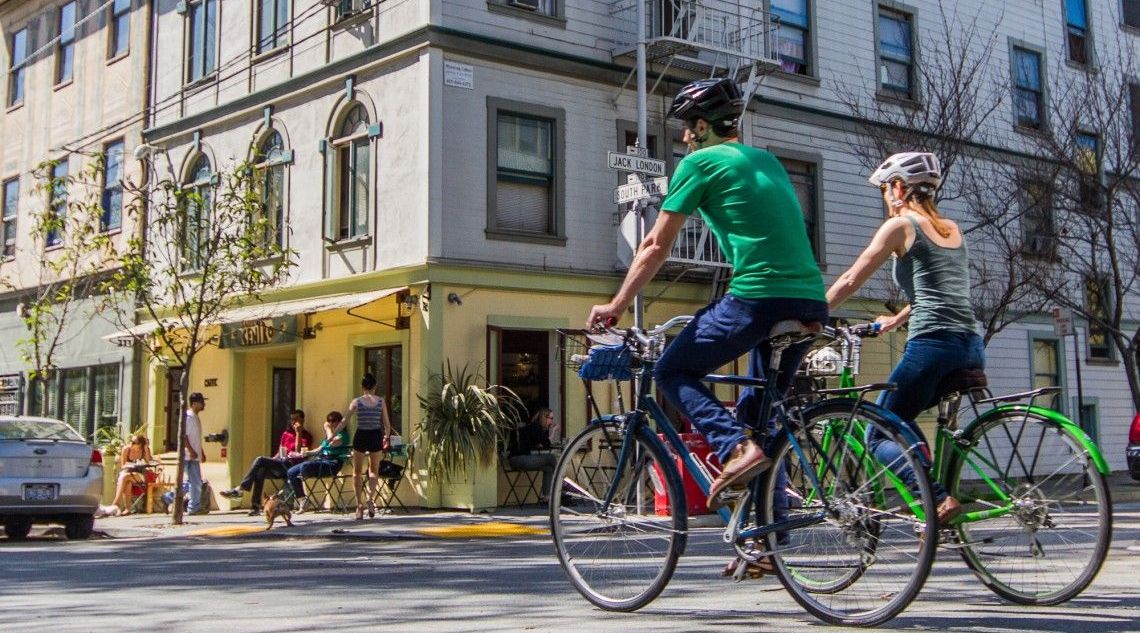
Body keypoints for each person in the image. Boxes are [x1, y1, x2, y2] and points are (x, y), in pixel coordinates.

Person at [587, 77, 828, 506]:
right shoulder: (768, 161)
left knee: (672, 372)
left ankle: (734, 447)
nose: (683, 136)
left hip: (759, 296)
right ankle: (768, 542)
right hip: (810, 300)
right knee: (762, 417)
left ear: (702, 127)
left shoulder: (697, 164)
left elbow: (656, 245)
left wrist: (617, 303)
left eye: (687, 127)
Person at [825, 151, 982, 523]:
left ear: (898, 187)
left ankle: (937, 500)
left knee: (878, 431)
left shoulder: (900, 226)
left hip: (932, 346)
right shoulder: (952, 230)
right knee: (902, 420)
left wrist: (812, 314)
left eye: (884, 189)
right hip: (969, 344)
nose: (884, 197)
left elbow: (851, 279)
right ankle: (933, 504)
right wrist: (896, 320)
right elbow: (942, 293)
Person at [219, 409, 313, 515]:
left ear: (302, 420)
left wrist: (298, 433)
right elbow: (280, 452)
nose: (293, 421)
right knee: (261, 469)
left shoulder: (306, 436)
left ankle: (240, 489)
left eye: (296, 419)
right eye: (291, 419)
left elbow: (298, 452)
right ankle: (255, 507)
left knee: (260, 460)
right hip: (281, 463)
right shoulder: (286, 434)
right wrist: (272, 460)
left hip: (292, 466)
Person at [342, 373, 393, 520]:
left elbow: (345, 420)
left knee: (357, 472)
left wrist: (333, 434)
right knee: (374, 470)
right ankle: (370, 499)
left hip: (361, 435)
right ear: (375, 387)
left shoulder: (357, 401)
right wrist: (386, 437)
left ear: (362, 387)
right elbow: (387, 424)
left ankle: (359, 505)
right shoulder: (380, 401)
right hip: (375, 435)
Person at [286, 411, 351, 512]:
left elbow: (332, 442)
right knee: (291, 472)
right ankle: (303, 500)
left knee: (305, 467)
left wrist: (327, 429)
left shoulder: (342, 435)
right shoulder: (330, 436)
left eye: (334, 421)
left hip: (332, 464)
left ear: (340, 422)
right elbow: (318, 450)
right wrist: (307, 453)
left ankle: (304, 474)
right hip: (321, 461)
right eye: (329, 421)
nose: (332, 423)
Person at [507, 408, 558, 503]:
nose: (552, 421)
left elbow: (540, 443)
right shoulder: (535, 427)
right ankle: (560, 482)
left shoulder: (534, 428)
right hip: (519, 459)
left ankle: (546, 496)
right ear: (544, 418)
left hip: (517, 459)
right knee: (551, 458)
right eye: (551, 418)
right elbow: (547, 443)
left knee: (548, 468)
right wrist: (553, 430)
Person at [110, 434, 154, 514]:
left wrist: (146, 448)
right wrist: (131, 465)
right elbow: (123, 466)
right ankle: (127, 509)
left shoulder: (144, 450)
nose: (131, 444)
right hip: (128, 472)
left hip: (141, 475)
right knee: (127, 482)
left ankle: (115, 504)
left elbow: (149, 463)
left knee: (124, 477)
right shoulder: (126, 449)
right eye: (131, 441)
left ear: (140, 444)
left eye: (134, 442)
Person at [183, 392, 208, 516]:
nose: (203, 404)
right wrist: (192, 451)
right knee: (194, 482)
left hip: (194, 455)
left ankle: (169, 498)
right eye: (201, 402)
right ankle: (193, 507)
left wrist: (201, 452)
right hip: (187, 455)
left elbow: (196, 438)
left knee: (194, 482)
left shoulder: (196, 417)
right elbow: (184, 436)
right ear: (194, 404)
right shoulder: (188, 417)